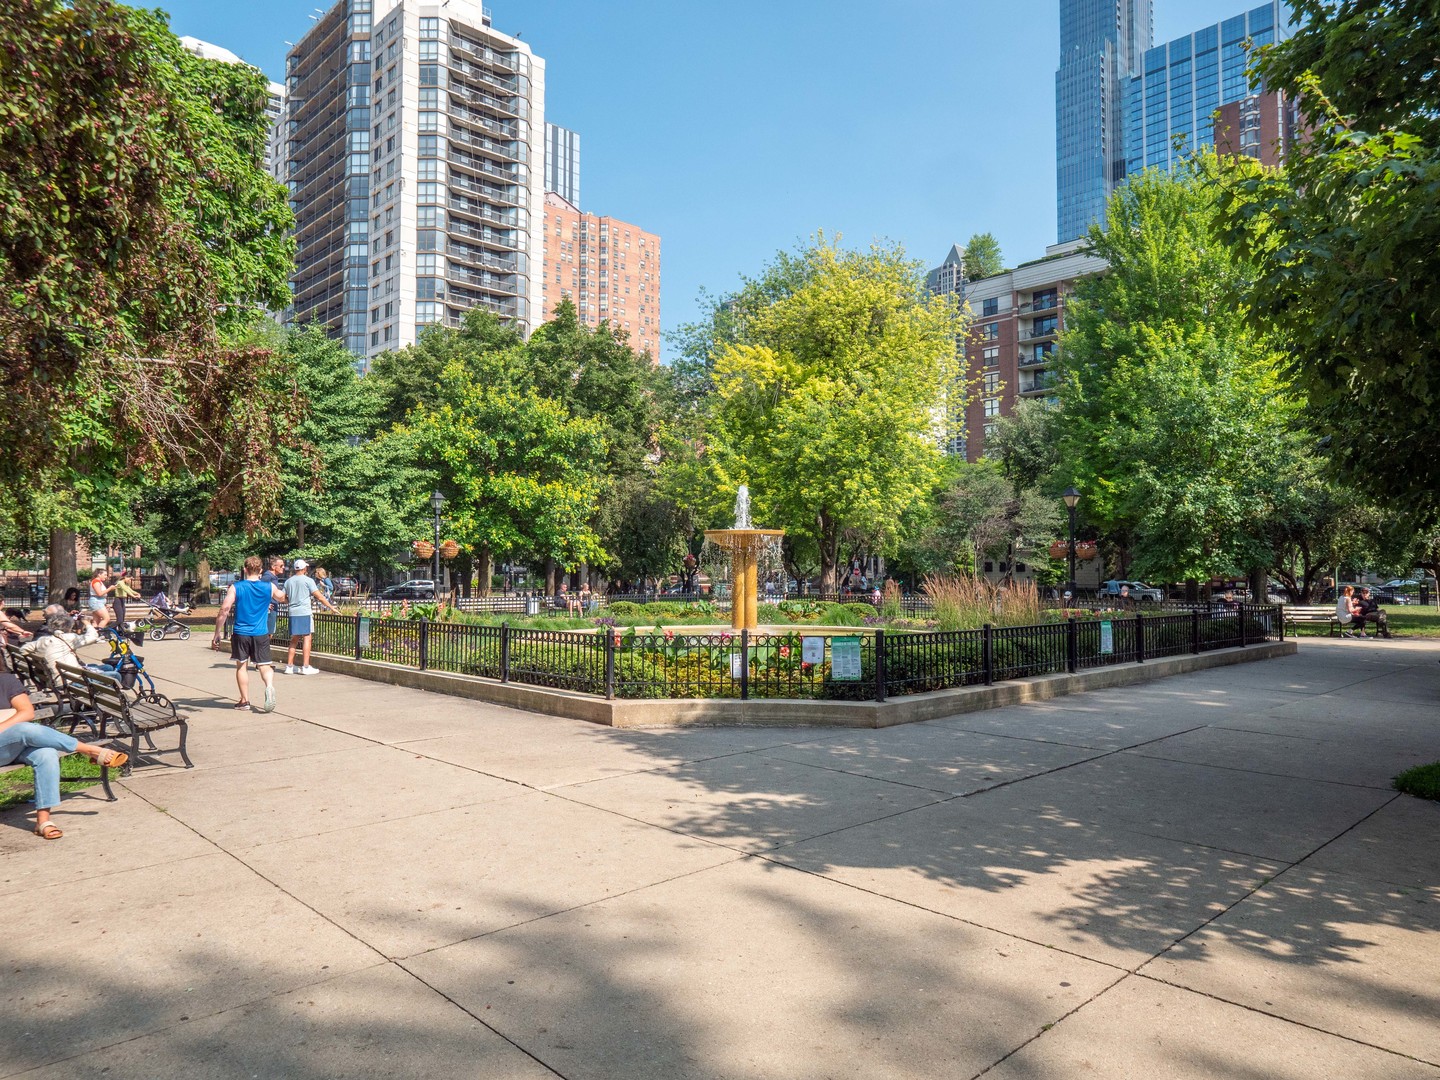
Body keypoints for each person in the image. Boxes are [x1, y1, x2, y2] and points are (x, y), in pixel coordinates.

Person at [0, 668, 126, 839]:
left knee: (46, 754)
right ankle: (89, 750)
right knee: (24, 729)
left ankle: (43, 821)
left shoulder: (5, 680)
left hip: (14, 745)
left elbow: (27, 712)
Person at [211, 556, 287, 712]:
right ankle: (269, 686)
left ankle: (244, 701)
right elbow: (283, 598)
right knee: (264, 665)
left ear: (245, 570)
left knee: (241, 666)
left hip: (241, 632)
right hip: (261, 633)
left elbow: (224, 610)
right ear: (260, 570)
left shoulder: (237, 587)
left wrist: (217, 632)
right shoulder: (269, 587)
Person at [282, 559, 340, 675]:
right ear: (304, 569)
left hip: (293, 612)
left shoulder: (288, 581)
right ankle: (306, 666)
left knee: (294, 639)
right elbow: (320, 597)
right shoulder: (308, 581)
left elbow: (282, 598)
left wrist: (291, 601)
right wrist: (331, 607)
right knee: (307, 637)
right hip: (304, 612)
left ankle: (289, 666)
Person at [20, 607, 99, 684]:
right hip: (73, 680)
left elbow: (23, 649)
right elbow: (92, 636)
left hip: (56, 679)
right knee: (110, 673)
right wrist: (87, 623)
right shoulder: (68, 638)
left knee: (106, 668)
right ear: (69, 627)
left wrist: (40, 658)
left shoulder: (42, 640)